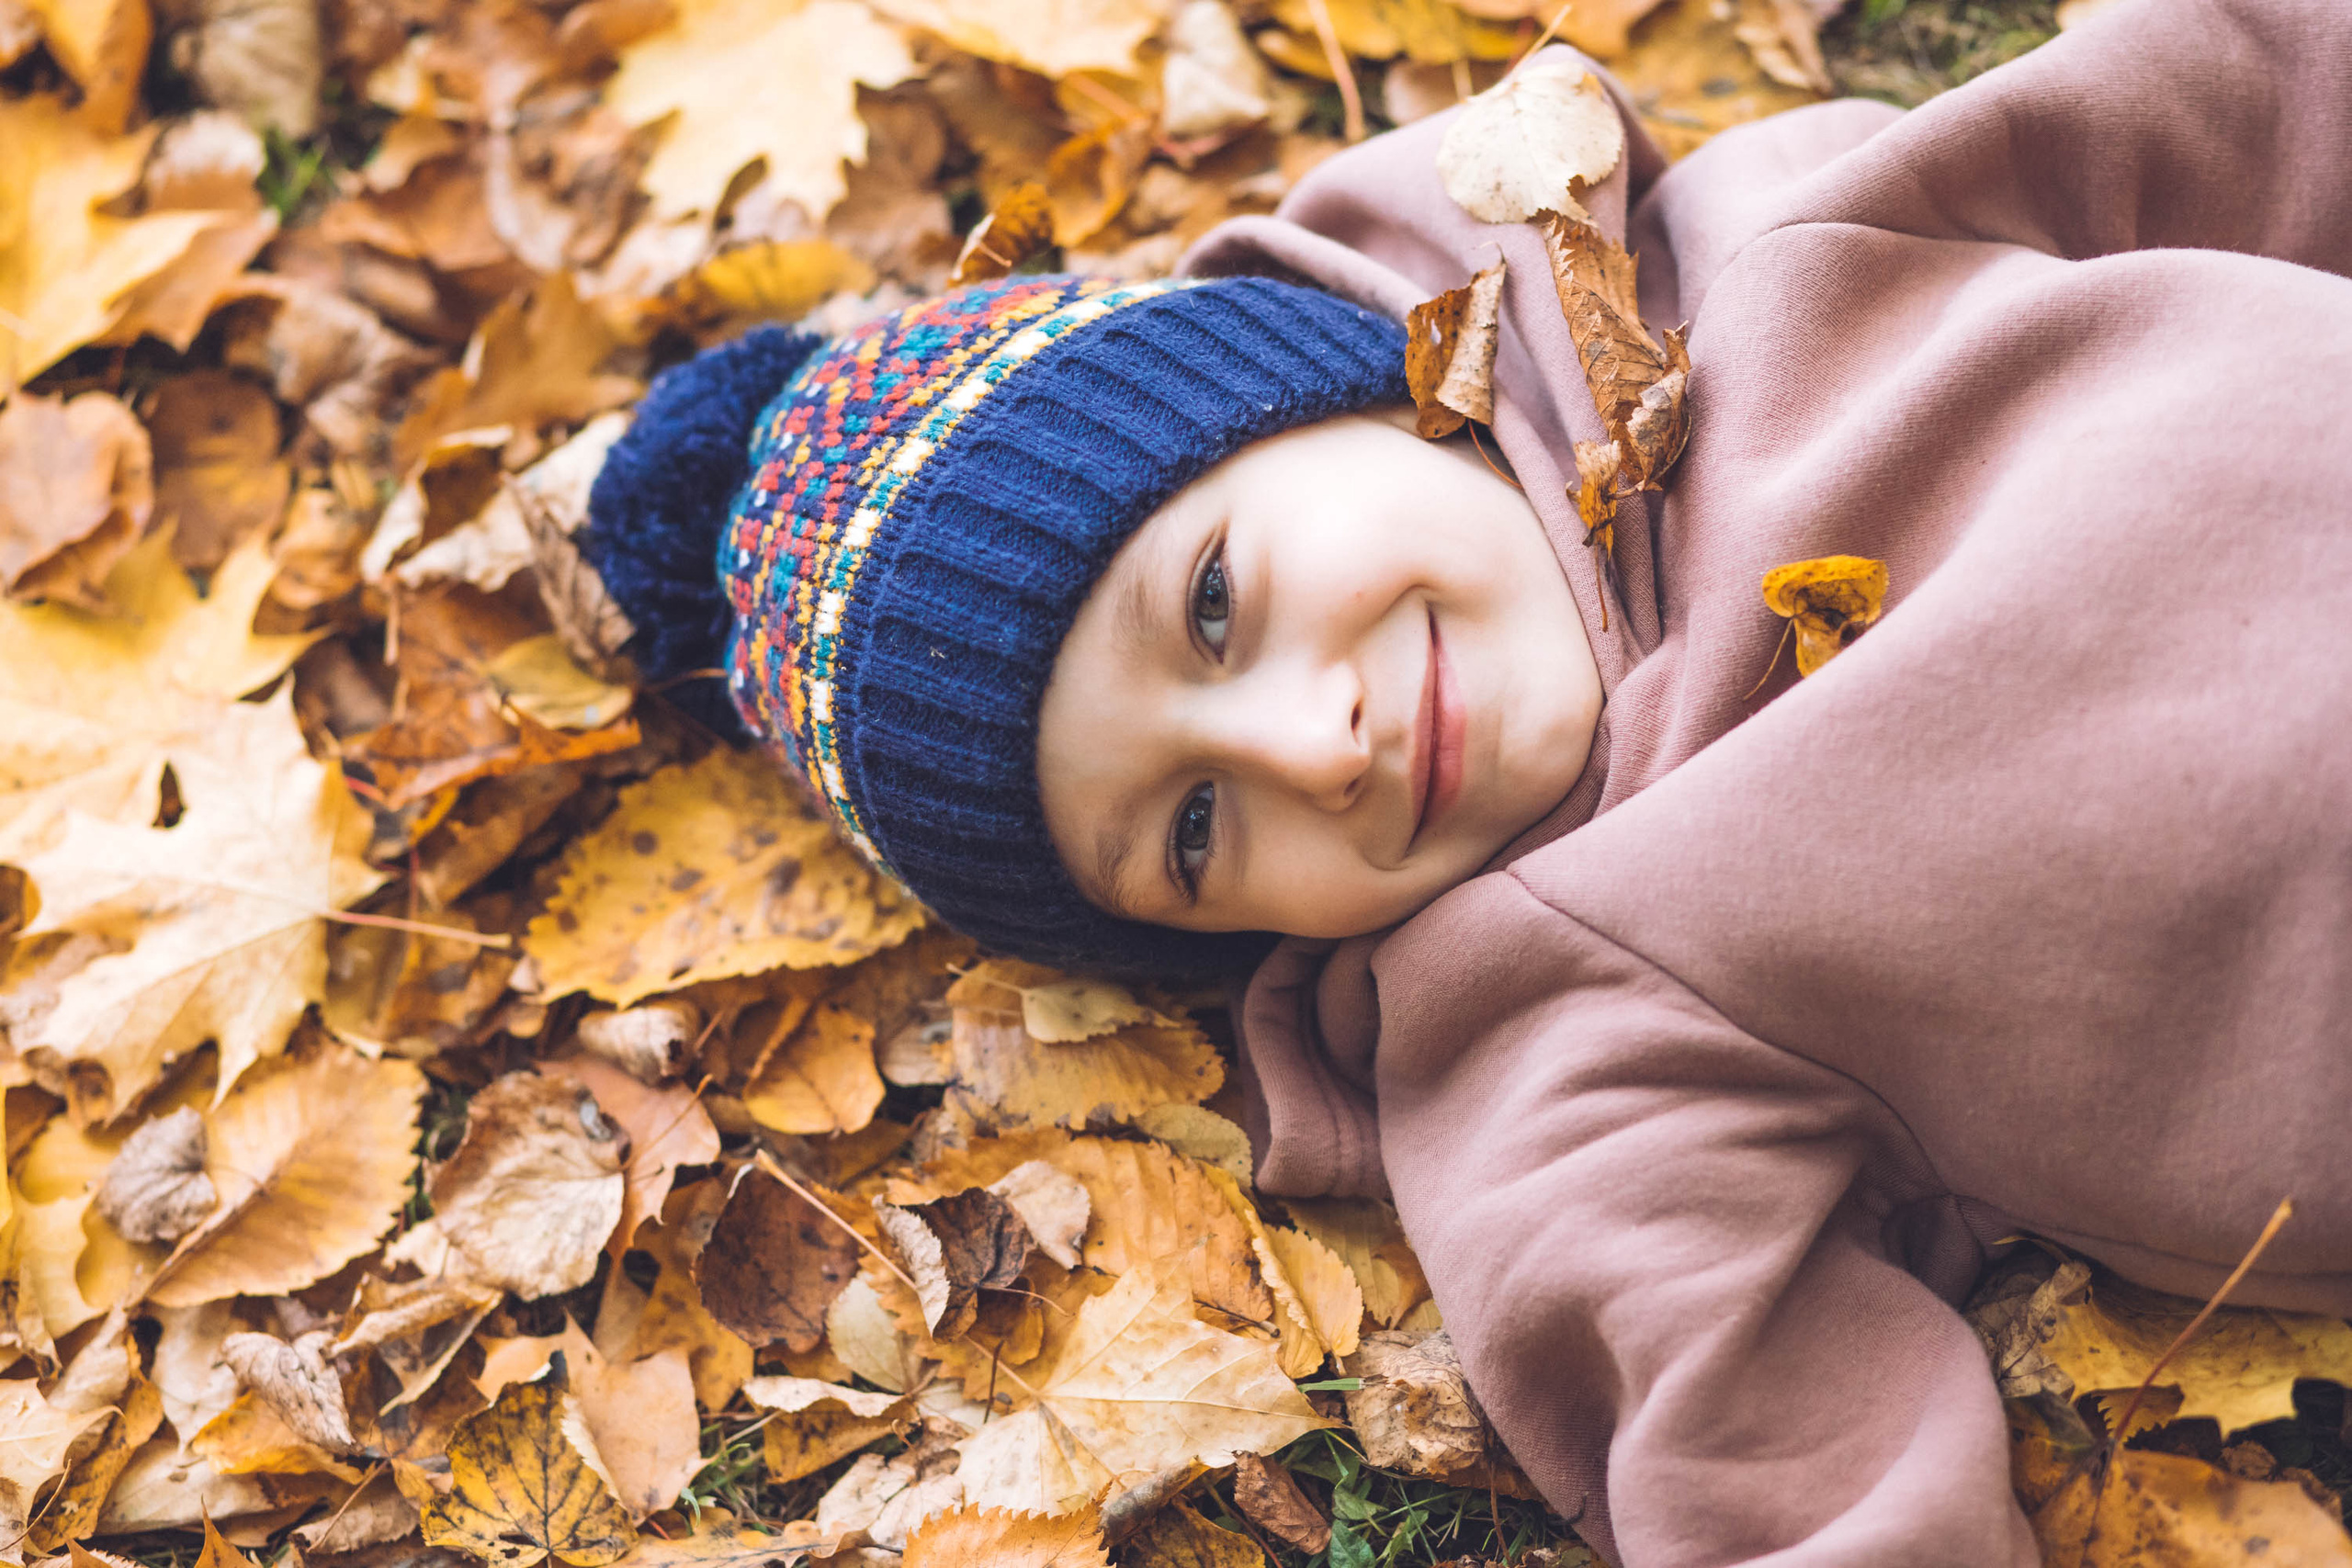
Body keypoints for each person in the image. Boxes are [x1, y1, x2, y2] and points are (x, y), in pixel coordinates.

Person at [579, 0, 2352, 1559]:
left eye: (1214, 602)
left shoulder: (1777, 253)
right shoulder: (1541, 1033)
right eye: (1195, 831)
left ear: (1343, 397)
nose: (1307, 745)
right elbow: (1766, 1459)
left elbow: (2253, 93)